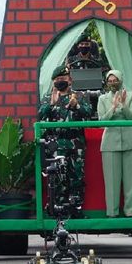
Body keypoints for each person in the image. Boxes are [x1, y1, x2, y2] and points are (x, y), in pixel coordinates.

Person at [38, 65, 92, 216]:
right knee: (57, 176)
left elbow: (88, 113)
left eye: (63, 79)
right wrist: (51, 105)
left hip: (76, 143)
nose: (60, 81)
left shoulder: (80, 96)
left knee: (77, 177)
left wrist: (77, 106)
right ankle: (57, 209)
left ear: (70, 79)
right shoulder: (48, 98)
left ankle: (76, 208)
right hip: (56, 144)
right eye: (57, 79)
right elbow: (39, 116)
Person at [97, 70, 132, 218]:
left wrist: (123, 106)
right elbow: (102, 121)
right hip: (110, 142)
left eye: (115, 80)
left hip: (131, 141)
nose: (112, 83)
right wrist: (113, 108)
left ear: (121, 80)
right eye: (109, 81)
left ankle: (131, 212)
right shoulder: (103, 99)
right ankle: (112, 213)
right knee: (111, 180)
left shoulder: (131, 96)